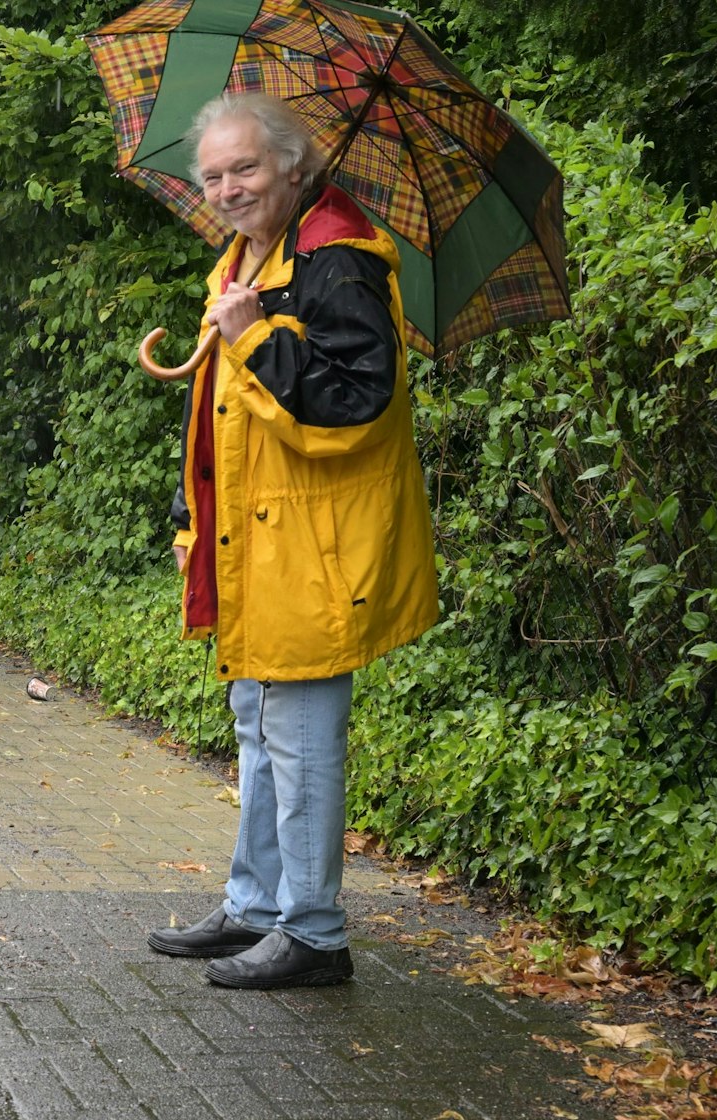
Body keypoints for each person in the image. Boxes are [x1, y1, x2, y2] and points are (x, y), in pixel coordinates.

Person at [143, 92, 439, 989]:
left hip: (317, 550)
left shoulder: (336, 257)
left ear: (294, 166)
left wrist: (258, 333)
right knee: (257, 727)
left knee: (302, 738)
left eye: (246, 169)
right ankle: (258, 905)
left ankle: (313, 931)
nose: (228, 188)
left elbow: (357, 401)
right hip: (261, 545)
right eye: (214, 175)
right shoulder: (252, 256)